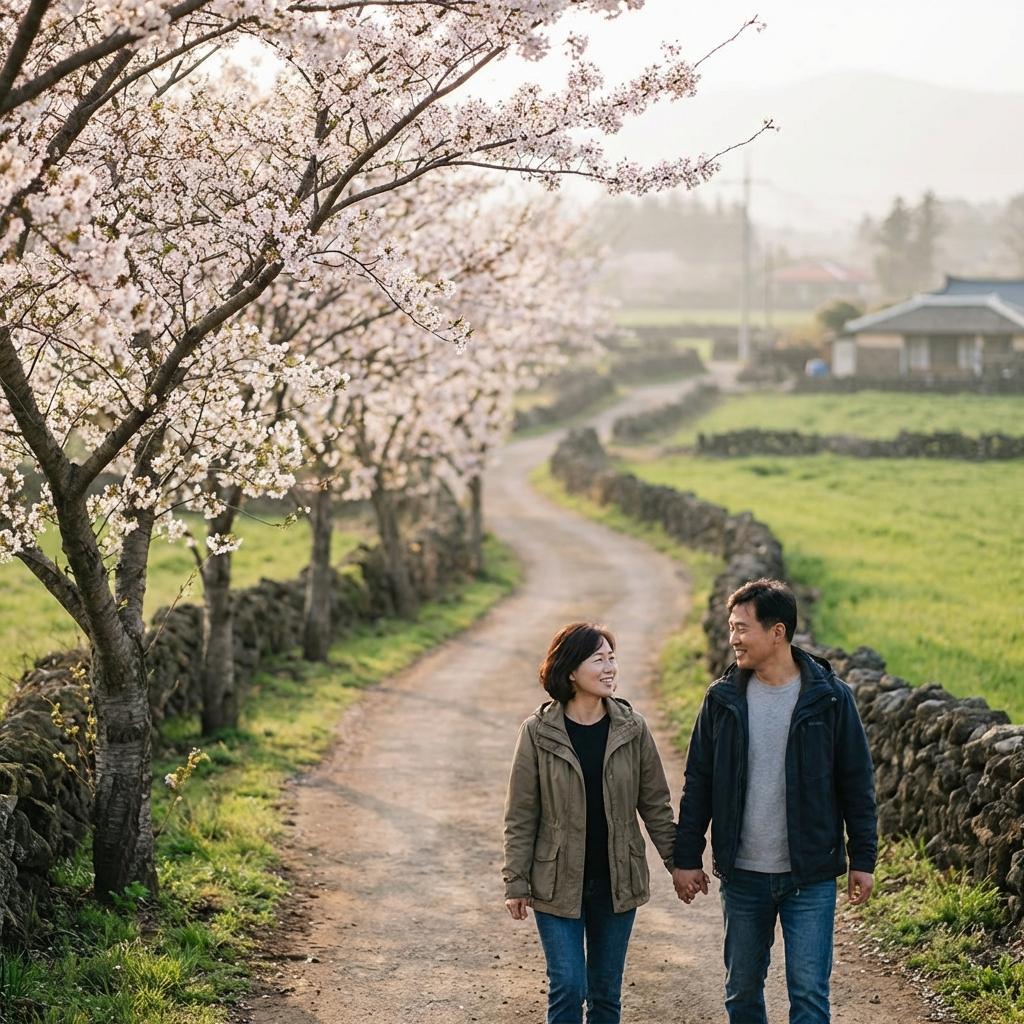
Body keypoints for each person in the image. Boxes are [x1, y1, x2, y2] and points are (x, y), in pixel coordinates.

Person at [672, 578, 877, 1024]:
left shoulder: (830, 698)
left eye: (742, 628)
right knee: (742, 992)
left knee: (808, 997)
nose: (733, 639)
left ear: (778, 632)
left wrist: (864, 858)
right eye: (731, 627)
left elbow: (857, 783)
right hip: (743, 876)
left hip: (811, 876)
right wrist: (686, 857)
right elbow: (698, 782)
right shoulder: (722, 699)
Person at [502, 622, 676, 1024]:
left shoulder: (633, 729)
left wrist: (678, 862)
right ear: (570, 671)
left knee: (605, 994)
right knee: (568, 986)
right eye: (598, 659)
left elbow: (656, 805)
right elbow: (521, 815)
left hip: (617, 881)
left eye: (612, 658)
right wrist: (516, 881)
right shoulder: (537, 733)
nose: (609, 667)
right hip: (556, 882)